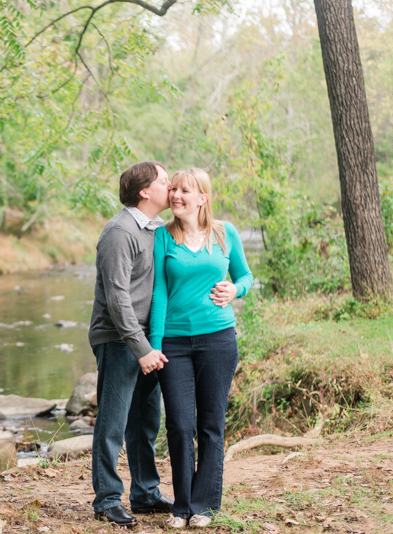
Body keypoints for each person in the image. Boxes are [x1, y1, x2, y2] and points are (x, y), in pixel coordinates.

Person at [149, 167, 253, 529]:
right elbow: (159, 294)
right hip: (174, 344)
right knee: (179, 424)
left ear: (203, 198)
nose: (175, 196)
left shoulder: (226, 233)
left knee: (211, 423)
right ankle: (181, 505)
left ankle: (204, 506)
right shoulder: (163, 238)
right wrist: (155, 346)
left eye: (184, 191)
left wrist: (235, 290)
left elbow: (245, 276)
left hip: (218, 340)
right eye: (173, 189)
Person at [88, 161, 175, 527]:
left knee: (145, 421)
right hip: (119, 339)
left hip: (145, 341)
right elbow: (117, 298)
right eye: (165, 181)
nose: (171, 186)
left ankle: (145, 494)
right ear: (145, 191)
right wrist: (140, 349)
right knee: (113, 421)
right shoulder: (120, 232)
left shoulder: (154, 230)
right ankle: (108, 500)